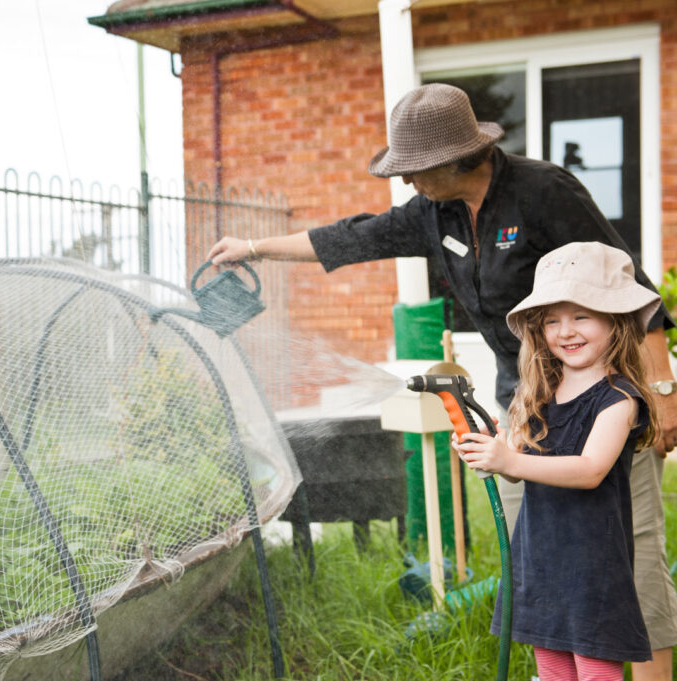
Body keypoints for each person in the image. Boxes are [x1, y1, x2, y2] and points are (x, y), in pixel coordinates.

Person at [207, 82, 677, 680]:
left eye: (414, 168)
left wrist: (662, 391)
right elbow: (355, 236)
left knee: (626, 554)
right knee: (540, 561)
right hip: (530, 405)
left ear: (456, 157)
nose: (405, 181)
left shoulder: (543, 192)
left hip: (600, 400)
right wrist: (255, 247)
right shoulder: (435, 214)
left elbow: (630, 289)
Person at [453, 241, 660, 680]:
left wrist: (510, 461)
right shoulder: (539, 395)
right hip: (540, 559)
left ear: (616, 320)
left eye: (581, 315)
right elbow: (519, 473)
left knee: (594, 668)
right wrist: (493, 449)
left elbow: (589, 470)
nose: (566, 330)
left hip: (592, 568)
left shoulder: (619, 398)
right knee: (551, 671)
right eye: (552, 320)